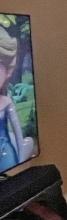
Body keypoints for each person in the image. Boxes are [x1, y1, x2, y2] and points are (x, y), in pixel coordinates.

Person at [0, 27, 33, 172]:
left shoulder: (6, 102)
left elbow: (18, 134)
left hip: (6, 155)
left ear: (8, 71)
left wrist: (20, 161)